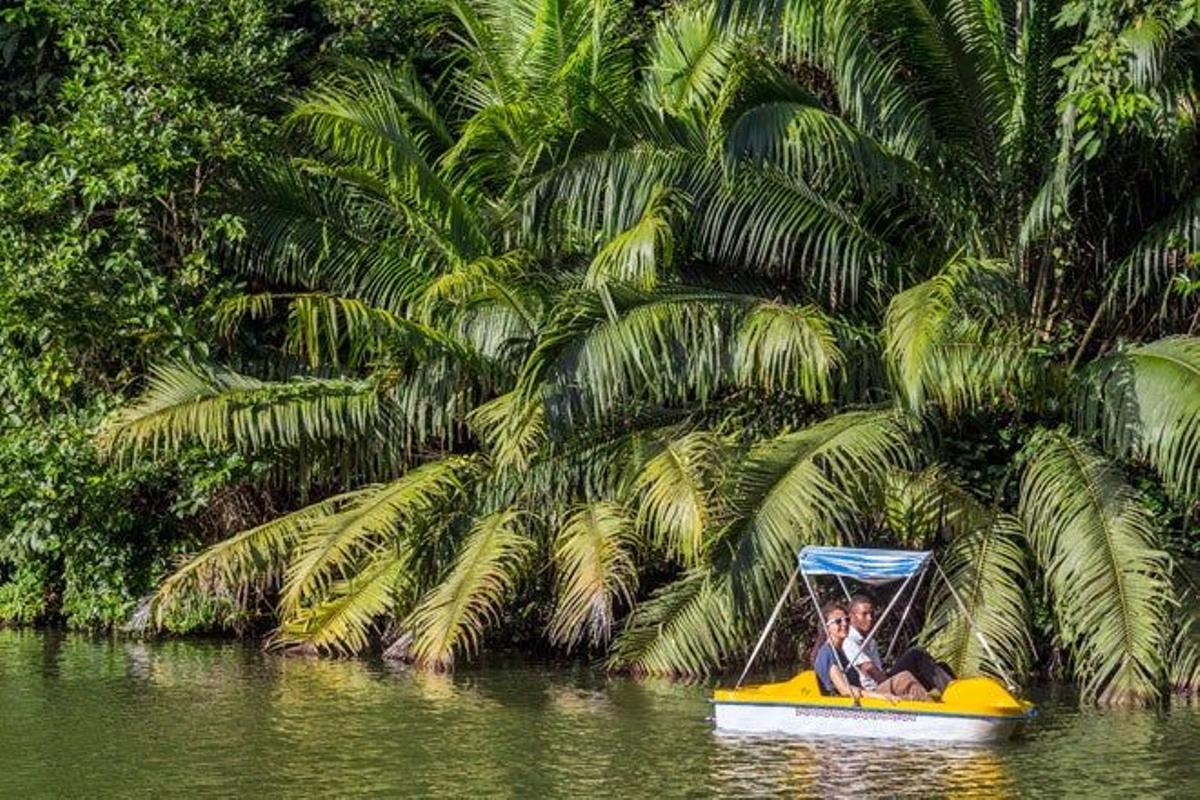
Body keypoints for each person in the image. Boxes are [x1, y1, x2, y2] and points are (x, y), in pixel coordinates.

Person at [812, 601, 929, 702]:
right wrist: (880, 696)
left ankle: (932, 706)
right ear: (827, 627)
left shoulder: (839, 651)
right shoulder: (828, 653)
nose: (845, 624)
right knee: (904, 679)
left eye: (847, 619)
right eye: (838, 621)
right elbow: (844, 690)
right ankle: (935, 712)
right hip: (852, 704)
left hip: (862, 697)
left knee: (910, 692)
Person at [843, 593, 954, 694]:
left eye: (872, 613)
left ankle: (956, 691)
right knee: (914, 655)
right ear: (852, 616)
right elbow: (869, 669)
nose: (870, 618)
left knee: (940, 666)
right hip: (873, 691)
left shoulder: (870, 640)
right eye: (864, 614)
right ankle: (943, 700)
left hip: (883, 680)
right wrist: (892, 686)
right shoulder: (849, 640)